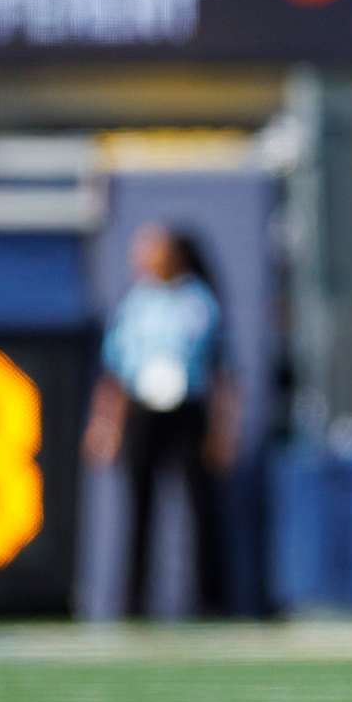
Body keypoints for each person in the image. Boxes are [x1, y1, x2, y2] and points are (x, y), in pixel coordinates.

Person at [84, 225, 238, 618]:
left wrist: (222, 430)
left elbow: (222, 371)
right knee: (139, 510)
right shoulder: (136, 303)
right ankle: (133, 604)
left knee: (201, 510)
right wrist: (105, 424)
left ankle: (209, 601)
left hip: (187, 411)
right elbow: (115, 371)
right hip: (142, 411)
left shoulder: (199, 301)